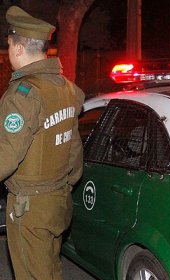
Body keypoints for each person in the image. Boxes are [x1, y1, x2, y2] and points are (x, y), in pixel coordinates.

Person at [1, 6, 85, 280]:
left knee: (32, 275)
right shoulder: (66, 88)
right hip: (58, 201)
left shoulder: (23, 95)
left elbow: (6, 157)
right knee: (49, 270)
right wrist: (63, 185)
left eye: (10, 44)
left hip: (30, 207)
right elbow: (73, 149)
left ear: (18, 48)